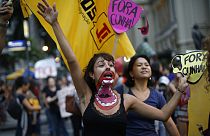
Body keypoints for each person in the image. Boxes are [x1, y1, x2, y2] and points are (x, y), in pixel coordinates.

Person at [37, 1, 188, 135]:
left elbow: (163, 115)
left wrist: (180, 90)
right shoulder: (86, 96)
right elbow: (72, 61)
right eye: (101, 65)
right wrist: (55, 24)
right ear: (91, 74)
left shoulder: (127, 100)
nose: (108, 67)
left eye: (111, 65)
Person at [121, 55, 179, 136]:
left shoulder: (157, 95)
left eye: (147, 65)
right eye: (139, 65)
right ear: (131, 73)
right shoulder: (122, 92)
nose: (144, 67)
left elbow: (169, 124)